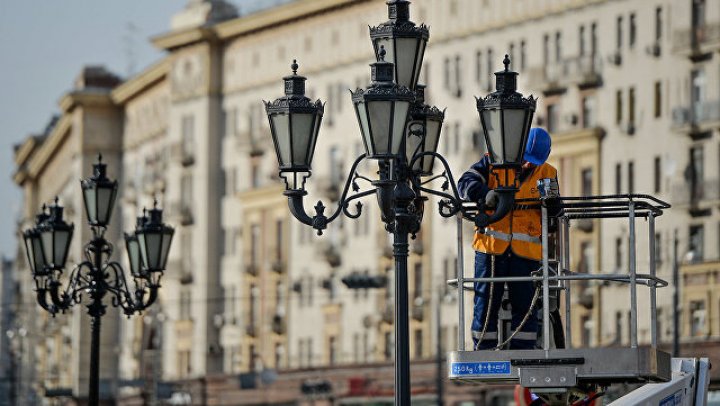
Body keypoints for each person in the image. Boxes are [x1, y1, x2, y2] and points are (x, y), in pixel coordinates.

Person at [458, 127, 558, 350]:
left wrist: (552, 205)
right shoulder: (493, 163)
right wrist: (485, 194)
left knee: (526, 305)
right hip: (491, 247)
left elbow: (554, 209)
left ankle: (523, 351)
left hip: (526, 253)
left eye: (533, 162)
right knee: (486, 302)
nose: (528, 165)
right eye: (526, 159)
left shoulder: (547, 173)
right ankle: (484, 349)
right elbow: (465, 183)